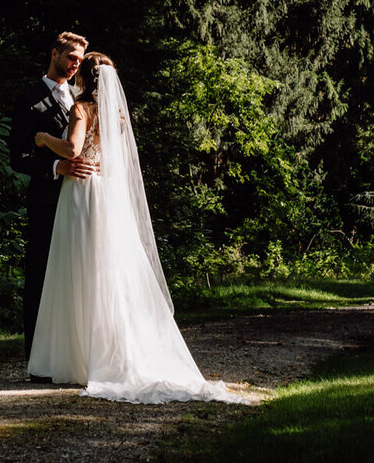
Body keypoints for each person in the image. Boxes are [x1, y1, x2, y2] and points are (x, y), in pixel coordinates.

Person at [28, 52, 245, 403]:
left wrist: (42, 138)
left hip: (84, 193)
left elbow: (73, 148)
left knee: (81, 267)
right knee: (111, 270)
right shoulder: (117, 115)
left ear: (83, 76)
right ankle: (112, 352)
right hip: (110, 195)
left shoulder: (80, 108)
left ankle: (80, 357)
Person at [8, 31, 97, 373]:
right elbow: (18, 156)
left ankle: (75, 355)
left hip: (82, 203)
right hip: (47, 200)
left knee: (78, 276)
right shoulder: (29, 99)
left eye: (80, 60)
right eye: (71, 57)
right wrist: (58, 166)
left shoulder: (83, 97)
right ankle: (38, 361)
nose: (75, 65)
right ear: (55, 53)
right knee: (41, 277)